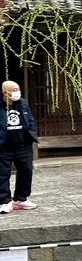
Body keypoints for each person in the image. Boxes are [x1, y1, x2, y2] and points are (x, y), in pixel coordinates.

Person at [0, 81, 37, 214]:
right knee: (2, 174)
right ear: (5, 92)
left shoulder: (23, 103)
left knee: (26, 171)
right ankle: (4, 201)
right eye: (14, 89)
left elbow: (31, 121)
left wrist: (31, 134)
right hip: (4, 146)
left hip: (23, 144)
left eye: (18, 89)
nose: (17, 92)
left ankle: (21, 198)